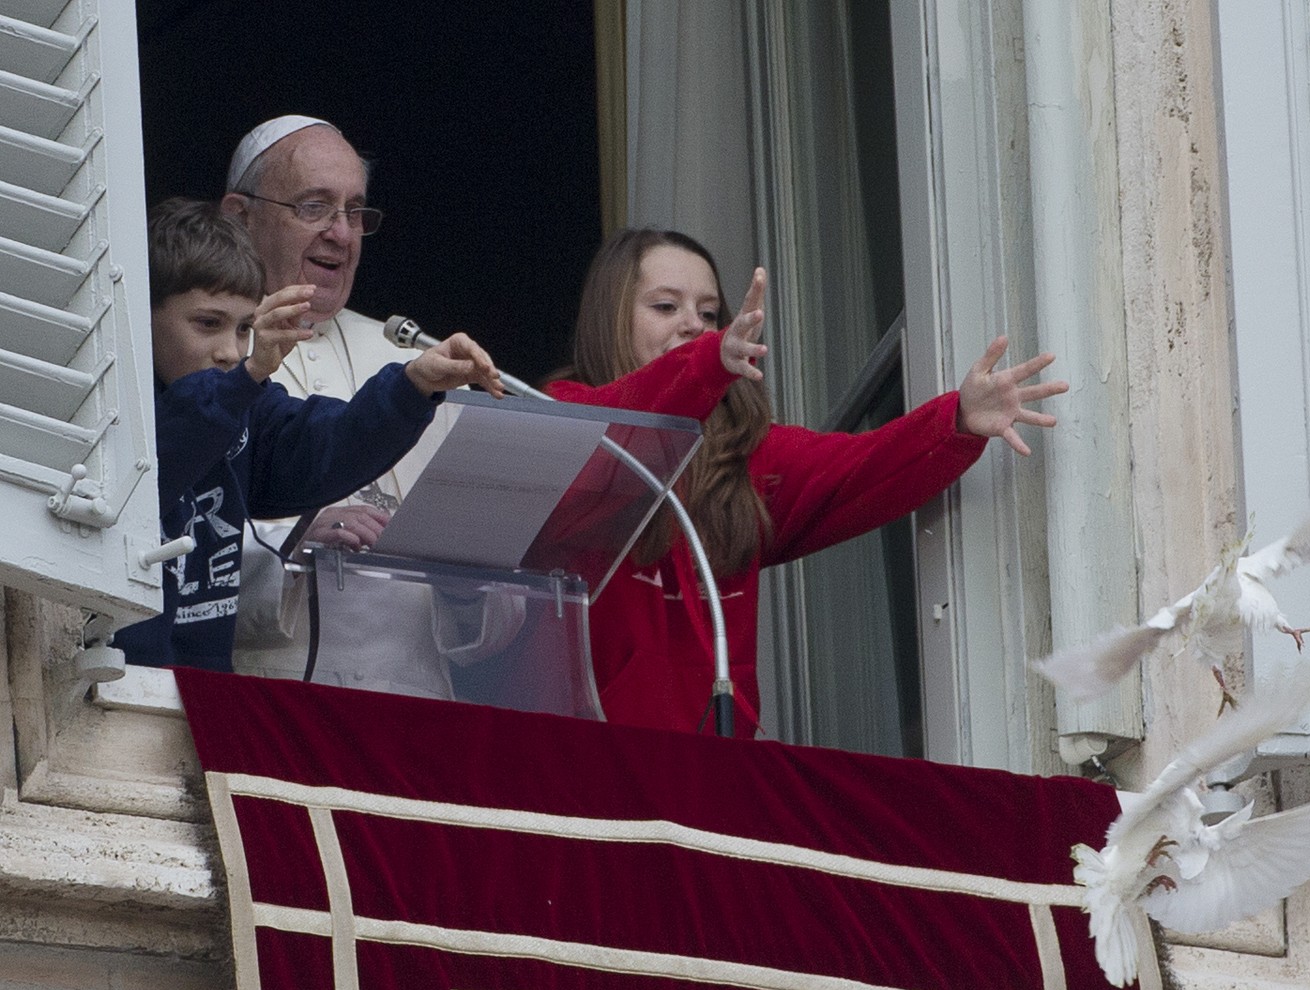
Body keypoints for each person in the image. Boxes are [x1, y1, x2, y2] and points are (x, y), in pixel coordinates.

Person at [545, 227, 1068, 737]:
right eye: (665, 306)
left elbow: (863, 466)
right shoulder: (561, 416)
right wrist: (705, 364)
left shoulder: (746, 454)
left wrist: (957, 420)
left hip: (714, 765)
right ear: (611, 319)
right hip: (590, 758)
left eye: (708, 314)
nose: (694, 327)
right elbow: (615, 429)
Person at [114, 198, 502, 672]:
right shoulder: (114, 409)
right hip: (113, 680)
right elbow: (170, 449)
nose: (229, 351)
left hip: (199, 685)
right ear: (142, 314)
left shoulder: (246, 405)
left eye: (243, 329)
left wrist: (412, 386)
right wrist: (248, 376)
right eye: (208, 324)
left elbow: (324, 447)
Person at [217, 116, 461, 695]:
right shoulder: (206, 349)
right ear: (240, 215)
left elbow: (499, 606)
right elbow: (168, 540)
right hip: (264, 698)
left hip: (418, 706)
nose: (342, 234)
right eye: (315, 207)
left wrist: (470, 592)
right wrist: (294, 537)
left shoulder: (422, 363)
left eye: (355, 212)